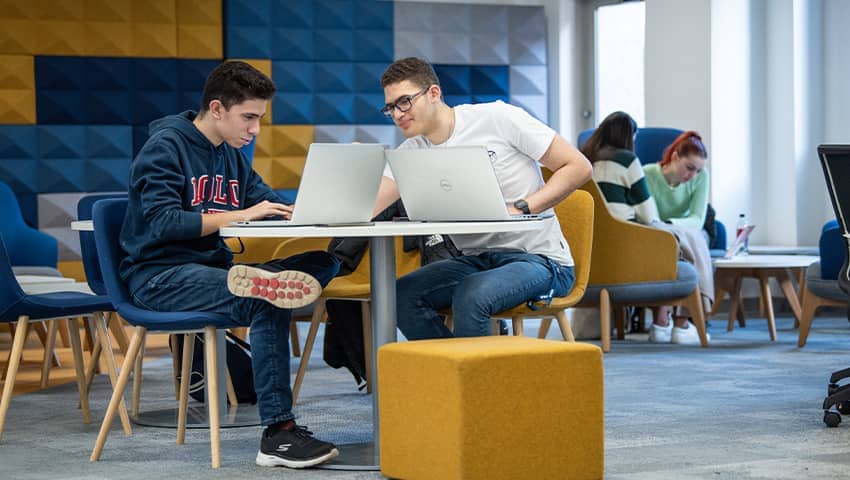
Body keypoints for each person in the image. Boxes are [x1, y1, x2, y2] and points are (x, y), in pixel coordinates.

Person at [119, 61, 341, 469]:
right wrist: (242, 216)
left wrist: (312, 211)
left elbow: (266, 203)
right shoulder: (165, 147)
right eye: (249, 118)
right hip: (158, 276)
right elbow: (164, 222)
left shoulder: (230, 156)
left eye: (259, 118)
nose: (255, 129)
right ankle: (279, 434)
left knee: (326, 259)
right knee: (264, 297)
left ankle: (265, 283)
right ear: (217, 108)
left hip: (215, 272)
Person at [373, 57, 592, 340]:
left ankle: (473, 381)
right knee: (400, 295)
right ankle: (452, 373)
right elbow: (370, 203)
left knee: (472, 294)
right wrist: (304, 209)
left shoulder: (497, 118)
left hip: (540, 261)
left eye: (404, 101)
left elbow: (578, 166)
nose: (398, 113)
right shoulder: (411, 151)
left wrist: (522, 207)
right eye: (390, 107)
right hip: (475, 261)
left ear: (434, 93)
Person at [581, 113, 711, 345]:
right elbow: (649, 216)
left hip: (590, 249)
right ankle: (674, 324)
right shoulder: (628, 161)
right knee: (674, 244)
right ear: (628, 136)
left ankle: (664, 323)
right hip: (625, 243)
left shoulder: (584, 161)